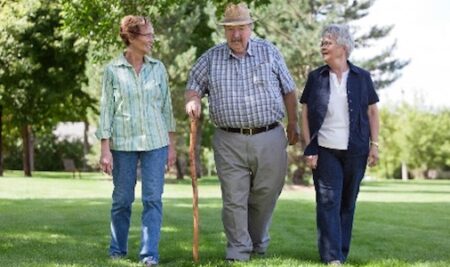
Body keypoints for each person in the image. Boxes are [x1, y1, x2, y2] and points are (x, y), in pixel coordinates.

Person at [185, 2, 299, 262]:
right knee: (234, 198)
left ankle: (257, 241)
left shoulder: (269, 52)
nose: (236, 35)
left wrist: (293, 124)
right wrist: (192, 100)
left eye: (241, 29)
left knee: (266, 193)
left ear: (250, 28)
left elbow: (289, 90)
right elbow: (193, 85)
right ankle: (238, 250)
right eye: (230, 29)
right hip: (228, 139)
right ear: (224, 31)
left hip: (269, 135)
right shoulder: (211, 58)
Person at [95, 15, 176, 267]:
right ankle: (117, 250)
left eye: (152, 34)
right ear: (131, 37)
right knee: (122, 199)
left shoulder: (158, 68)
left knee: (153, 198)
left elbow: (167, 109)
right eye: (147, 35)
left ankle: (149, 254)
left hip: (155, 142)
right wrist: (104, 149)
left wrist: (171, 146)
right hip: (123, 144)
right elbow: (106, 109)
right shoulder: (112, 70)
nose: (152, 39)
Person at [300, 24, 380, 265]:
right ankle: (332, 257)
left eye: (328, 42)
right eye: (322, 42)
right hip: (325, 149)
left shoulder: (362, 77)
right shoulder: (316, 77)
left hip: (355, 149)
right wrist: (309, 147)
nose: (323, 46)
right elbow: (304, 113)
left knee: (347, 202)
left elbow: (373, 113)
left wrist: (374, 145)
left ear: (343, 47)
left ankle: (340, 253)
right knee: (328, 201)